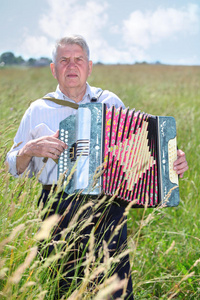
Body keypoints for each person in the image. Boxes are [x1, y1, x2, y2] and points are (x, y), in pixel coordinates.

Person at [6, 35, 188, 299]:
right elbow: (13, 166)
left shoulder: (110, 101)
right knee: (63, 287)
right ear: (53, 68)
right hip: (57, 208)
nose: (72, 66)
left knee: (115, 288)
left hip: (108, 206)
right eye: (64, 60)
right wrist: (28, 150)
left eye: (78, 59)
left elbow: (136, 149)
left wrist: (171, 160)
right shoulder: (38, 109)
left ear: (89, 67)